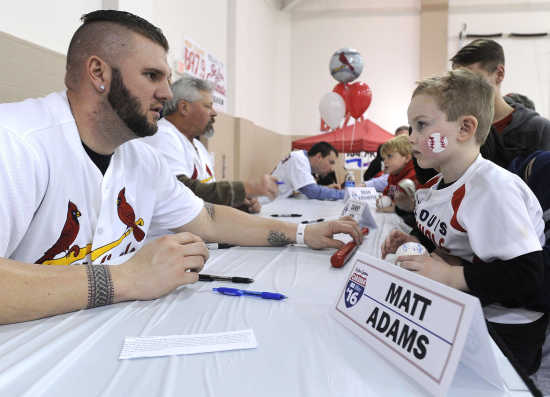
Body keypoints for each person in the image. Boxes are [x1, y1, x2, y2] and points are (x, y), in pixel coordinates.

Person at [0, 10, 362, 325]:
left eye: (167, 80)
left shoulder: (141, 158)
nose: (167, 94)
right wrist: (126, 278)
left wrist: (301, 234)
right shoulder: (16, 143)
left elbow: (209, 218)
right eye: (153, 76)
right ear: (98, 72)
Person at [381, 69, 547, 375]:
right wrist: (417, 240)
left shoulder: (493, 189)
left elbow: (529, 276)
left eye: (421, 126)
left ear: (465, 128)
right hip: (466, 305)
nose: (410, 138)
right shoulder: (436, 185)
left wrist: (451, 277)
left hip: (505, 327)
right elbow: (450, 235)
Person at [143, 75, 278, 213]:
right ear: (184, 108)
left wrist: (236, 202)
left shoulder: (198, 146)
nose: (214, 113)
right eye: (208, 106)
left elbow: (205, 196)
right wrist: (246, 188)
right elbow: (179, 191)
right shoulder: (163, 136)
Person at [450, 38, 550, 168]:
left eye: (470, 78)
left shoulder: (539, 130)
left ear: (499, 74)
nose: (462, 87)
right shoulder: (458, 128)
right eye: (457, 79)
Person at [272, 141, 344, 200]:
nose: (332, 168)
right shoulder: (299, 159)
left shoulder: (300, 158)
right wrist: (345, 194)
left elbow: (305, 189)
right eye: (331, 162)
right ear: (319, 156)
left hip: (275, 200)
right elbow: (312, 192)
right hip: (269, 204)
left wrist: (326, 188)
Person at [376, 135, 417, 214]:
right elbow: (387, 193)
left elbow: (413, 205)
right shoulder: (393, 176)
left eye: (389, 156)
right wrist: (383, 199)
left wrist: (395, 208)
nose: (385, 161)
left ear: (407, 158)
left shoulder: (413, 177)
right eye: (384, 158)